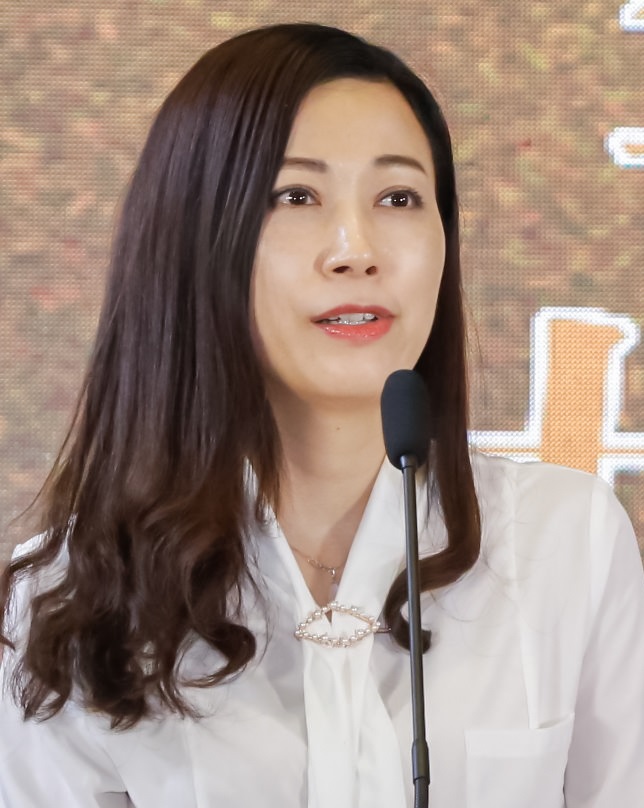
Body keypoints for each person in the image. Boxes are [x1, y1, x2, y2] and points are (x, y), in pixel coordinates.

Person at [1, 22, 643, 808]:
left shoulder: (565, 542)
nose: (356, 249)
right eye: (295, 196)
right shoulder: (70, 601)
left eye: (399, 197)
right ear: (195, 235)